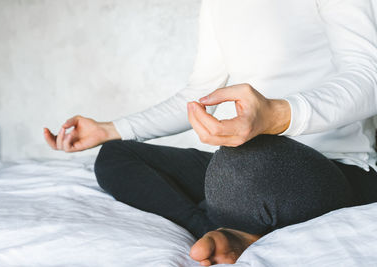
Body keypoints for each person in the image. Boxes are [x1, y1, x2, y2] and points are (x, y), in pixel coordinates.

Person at [44, 0, 377, 265]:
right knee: (116, 155)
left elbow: (369, 77)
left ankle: (232, 218)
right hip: (250, 161)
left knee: (238, 159)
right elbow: (198, 94)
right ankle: (217, 231)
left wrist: (276, 115)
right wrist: (108, 129)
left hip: (337, 168)